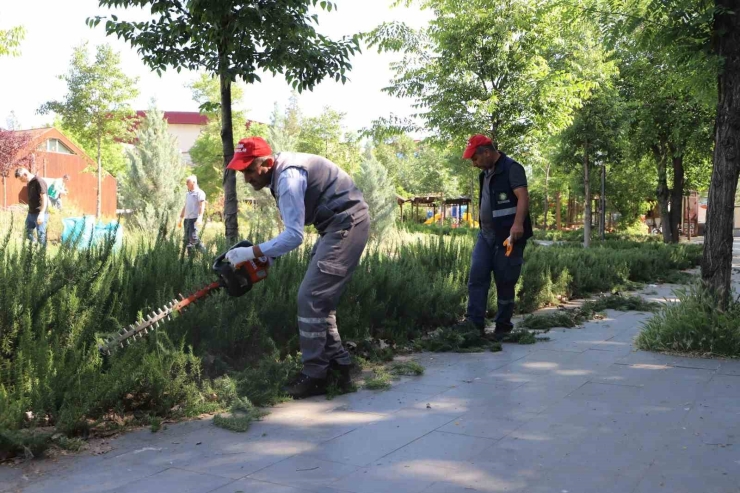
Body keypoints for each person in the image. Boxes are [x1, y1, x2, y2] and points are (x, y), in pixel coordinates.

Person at [224, 136, 370, 399]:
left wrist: (251, 252)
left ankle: (316, 375)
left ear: (267, 163)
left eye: (248, 170)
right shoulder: (283, 172)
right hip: (336, 225)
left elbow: (294, 236)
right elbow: (293, 231)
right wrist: (265, 258)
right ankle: (340, 366)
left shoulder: (288, 178)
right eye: (241, 171)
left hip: (346, 224)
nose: (245, 178)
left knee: (311, 296)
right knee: (319, 299)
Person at [455, 134, 533, 342]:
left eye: (475, 158)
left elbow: (523, 197)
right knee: (477, 276)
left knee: (505, 280)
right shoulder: (485, 174)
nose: (474, 164)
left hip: (508, 237)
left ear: (487, 152)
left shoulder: (512, 168)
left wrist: (517, 225)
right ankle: (475, 324)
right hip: (486, 235)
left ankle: (503, 327)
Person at [15, 167, 49, 245]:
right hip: (31, 213)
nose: (21, 181)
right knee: (27, 232)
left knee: (41, 236)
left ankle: (43, 255)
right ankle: (35, 245)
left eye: (21, 178)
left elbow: (44, 198)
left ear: (25, 174)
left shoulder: (39, 181)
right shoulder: (29, 183)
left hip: (40, 213)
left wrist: (42, 213)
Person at [178, 175, 207, 253]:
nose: (186, 184)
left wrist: (200, 217)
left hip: (194, 219)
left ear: (193, 182)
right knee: (187, 240)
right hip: (187, 219)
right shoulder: (188, 194)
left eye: (188, 182)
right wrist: (181, 218)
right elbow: (186, 206)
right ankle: (190, 260)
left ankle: (206, 254)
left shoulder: (199, 193)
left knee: (193, 238)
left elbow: (202, 205)